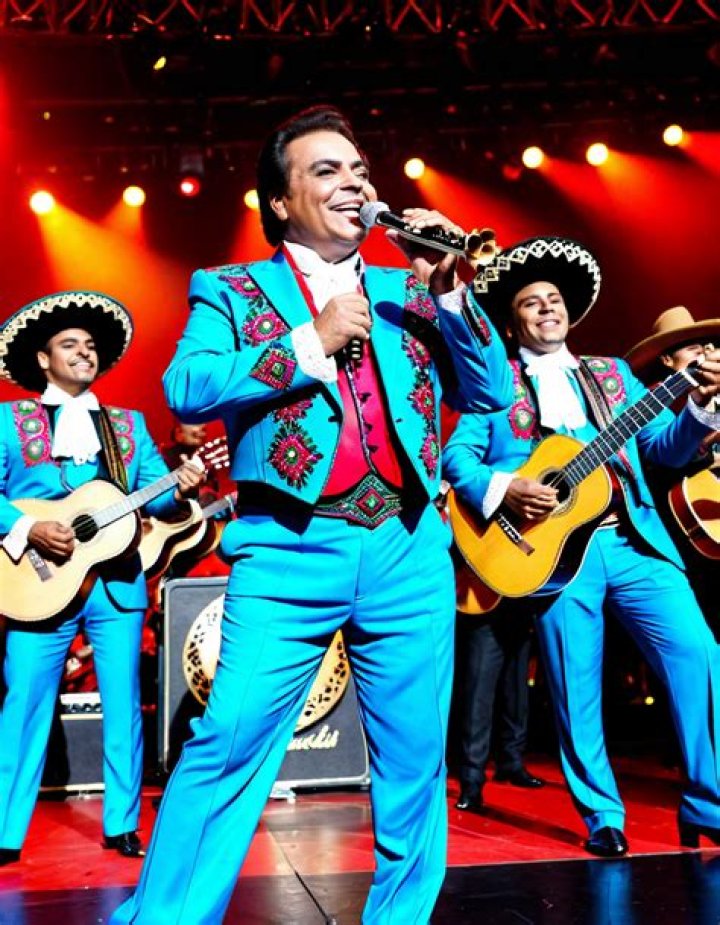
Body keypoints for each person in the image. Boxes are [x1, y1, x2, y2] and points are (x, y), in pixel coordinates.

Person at [110, 104, 513, 925]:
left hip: (408, 544)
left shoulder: (410, 290)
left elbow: (492, 393)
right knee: (227, 739)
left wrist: (454, 295)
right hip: (289, 546)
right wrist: (308, 341)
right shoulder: (231, 288)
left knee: (413, 759)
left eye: (359, 169)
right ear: (281, 201)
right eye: (326, 171)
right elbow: (186, 386)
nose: (353, 183)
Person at [442, 236, 720, 858]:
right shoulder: (494, 384)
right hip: (552, 556)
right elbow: (456, 458)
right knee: (576, 686)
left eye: (555, 299)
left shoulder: (614, 375)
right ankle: (602, 814)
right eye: (532, 302)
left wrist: (701, 408)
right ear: (512, 322)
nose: (548, 307)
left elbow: (662, 450)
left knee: (700, 654)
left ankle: (709, 803)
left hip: (632, 539)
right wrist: (506, 489)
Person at [0, 291, 205, 865]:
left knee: (123, 705)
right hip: (37, 581)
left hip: (116, 584)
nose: (84, 353)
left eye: (90, 345)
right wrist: (28, 528)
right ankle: (4, 831)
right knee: (23, 705)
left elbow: (156, 502)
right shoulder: (8, 422)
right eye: (69, 344)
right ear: (43, 359)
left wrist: (178, 489)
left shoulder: (127, 426)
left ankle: (121, 823)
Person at [625, 306, 719, 635]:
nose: (704, 352)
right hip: (680, 531)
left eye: (707, 346)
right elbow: (669, 454)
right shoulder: (653, 402)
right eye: (693, 347)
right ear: (667, 359)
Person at [454, 598, 545, 815]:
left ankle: (512, 762)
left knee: (517, 687)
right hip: (485, 602)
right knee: (479, 692)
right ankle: (472, 778)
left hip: (521, 602)